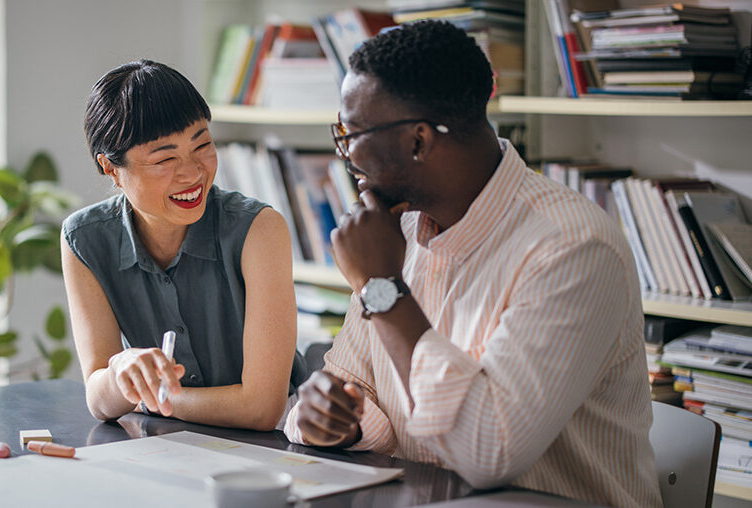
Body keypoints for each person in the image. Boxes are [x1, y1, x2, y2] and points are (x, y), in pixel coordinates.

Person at [283, 21, 662, 508]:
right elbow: (358, 390)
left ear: (419, 142)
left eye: (351, 133)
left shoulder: (572, 248)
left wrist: (382, 287)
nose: (346, 156)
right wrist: (335, 420)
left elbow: (488, 452)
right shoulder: (396, 232)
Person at [62, 60, 304, 431]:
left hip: (278, 443)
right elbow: (98, 398)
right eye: (165, 159)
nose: (192, 173)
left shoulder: (259, 229)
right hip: (168, 446)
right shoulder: (84, 238)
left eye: (202, 145)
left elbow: (261, 408)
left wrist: (149, 399)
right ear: (111, 169)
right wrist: (119, 373)